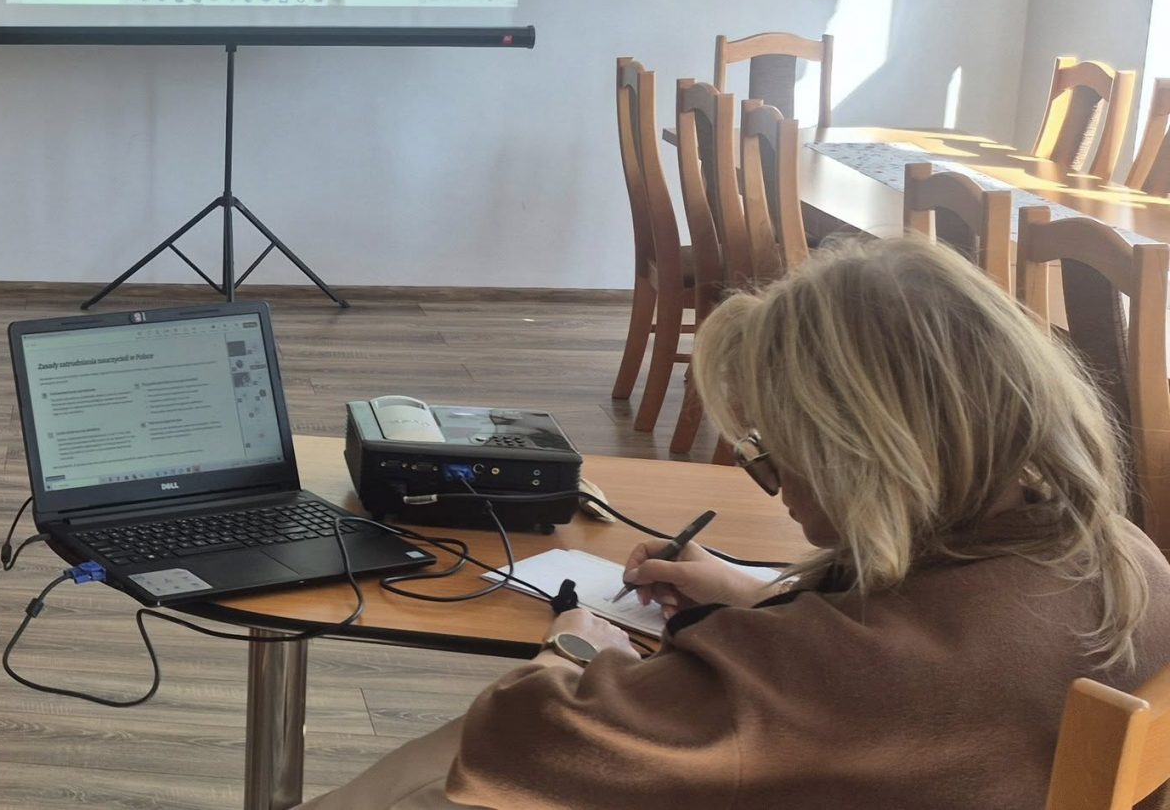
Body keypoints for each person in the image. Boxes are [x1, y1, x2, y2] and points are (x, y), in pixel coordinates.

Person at [304, 236, 1170, 809]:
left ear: (867, 455)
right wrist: (761, 596)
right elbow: (914, 673)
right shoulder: (1125, 558)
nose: (774, 486)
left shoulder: (831, 673)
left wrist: (575, 648)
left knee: (443, 770)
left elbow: (530, 741)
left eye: (776, 455)